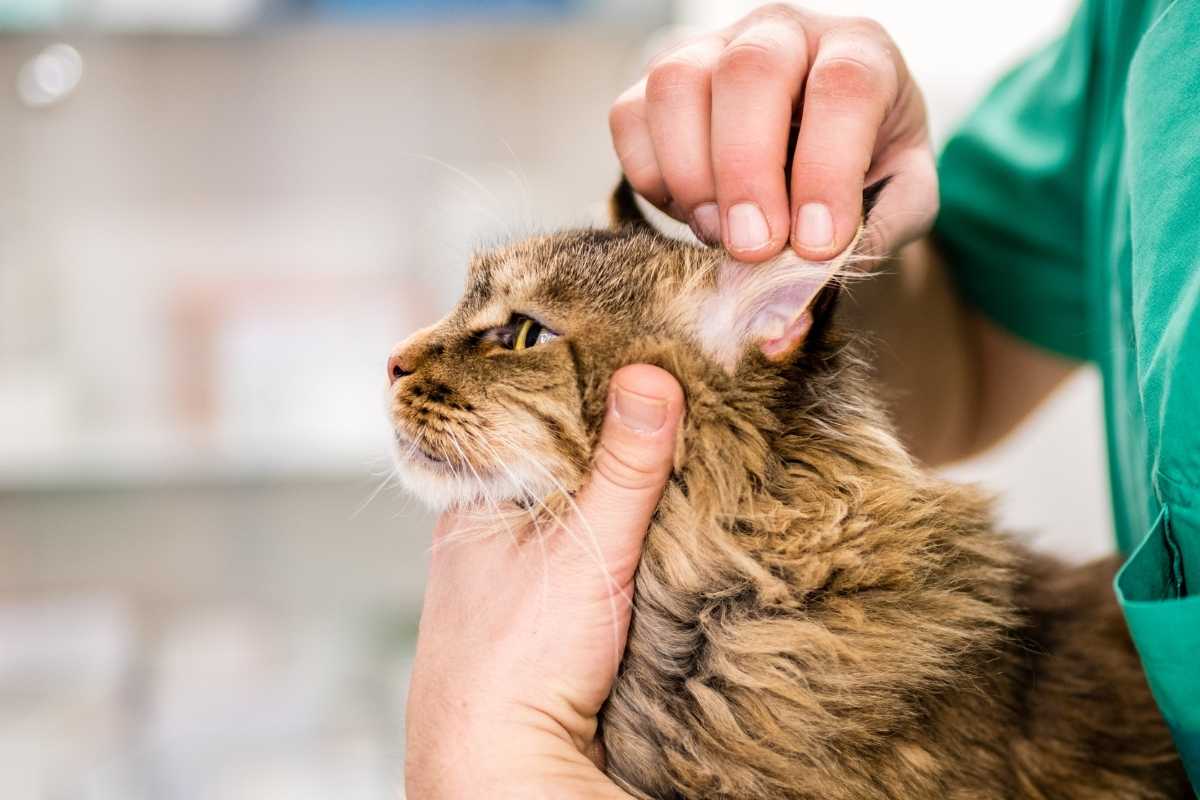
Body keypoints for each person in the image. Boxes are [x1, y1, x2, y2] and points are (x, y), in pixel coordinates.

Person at [405, 3, 1199, 795]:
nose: (406, 363)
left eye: (518, 334)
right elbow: (968, 345)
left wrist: (486, 756)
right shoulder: (1133, 28)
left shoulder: (873, 719)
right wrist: (821, 194)